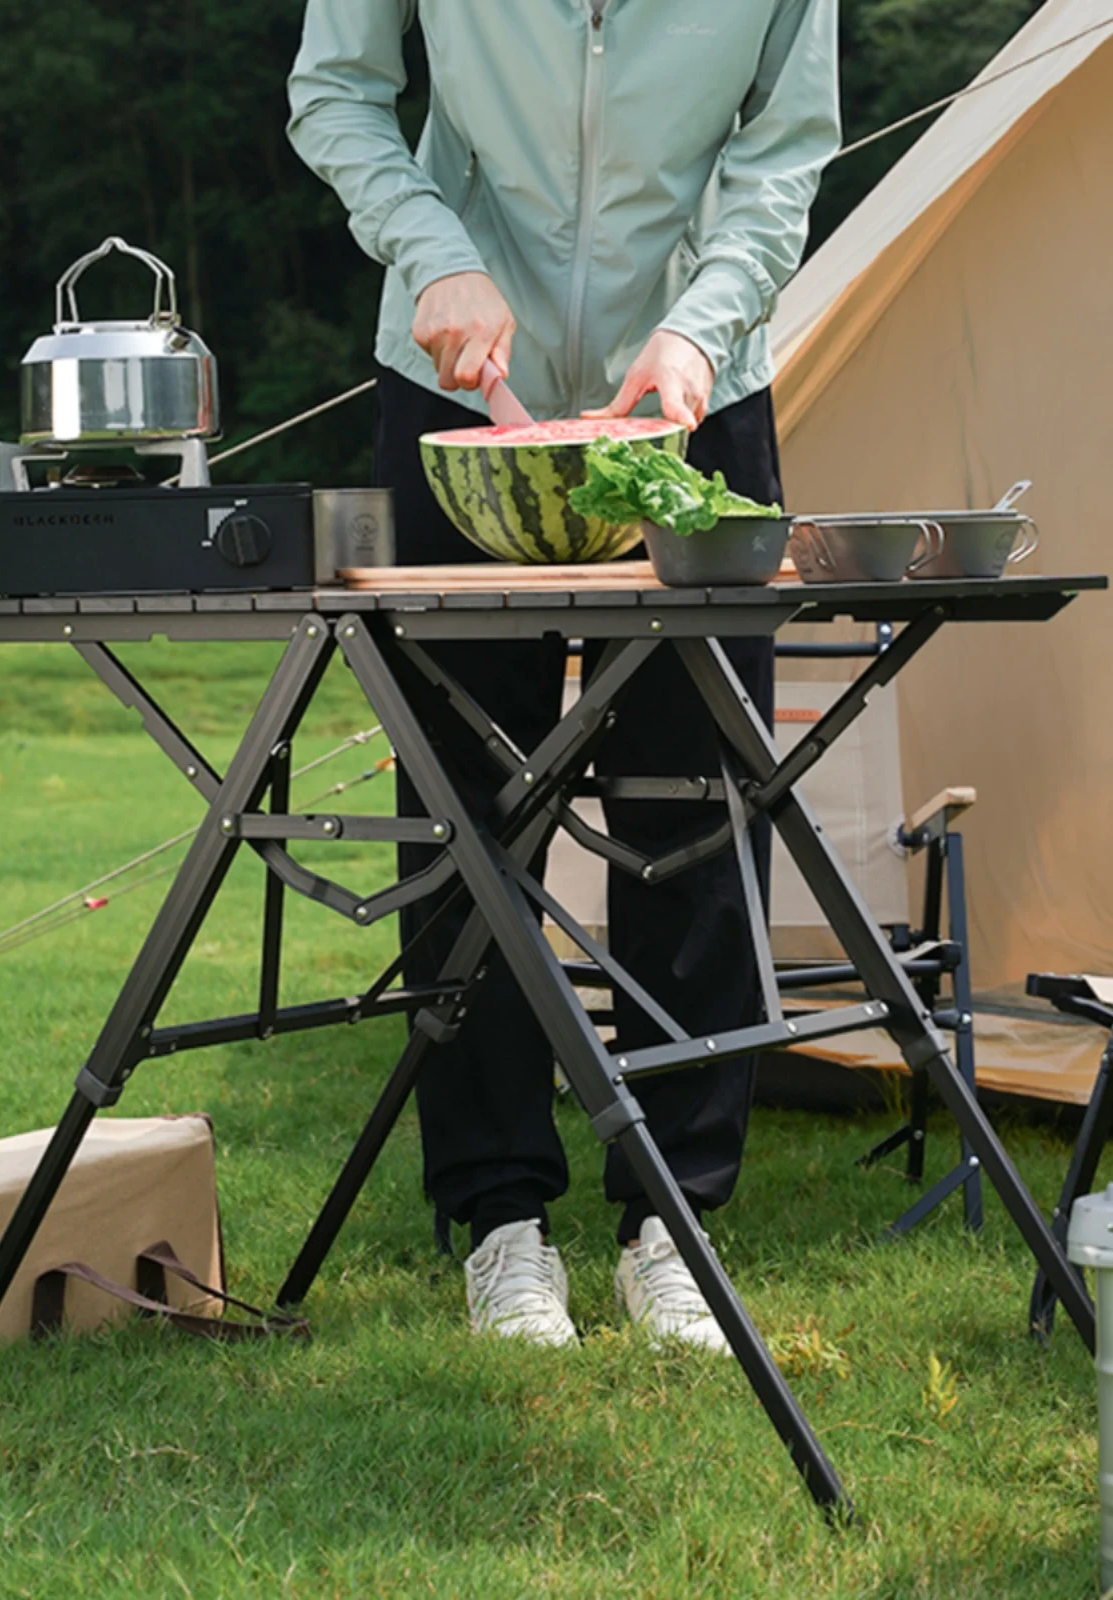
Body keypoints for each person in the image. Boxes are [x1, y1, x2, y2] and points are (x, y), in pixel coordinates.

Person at [288, 0, 840, 1350]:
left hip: (692, 393)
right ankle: (501, 1224)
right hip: (460, 386)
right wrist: (432, 256)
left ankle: (672, 1223)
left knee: (696, 812)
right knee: (466, 819)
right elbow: (334, 91)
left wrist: (707, 327)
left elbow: (785, 149)